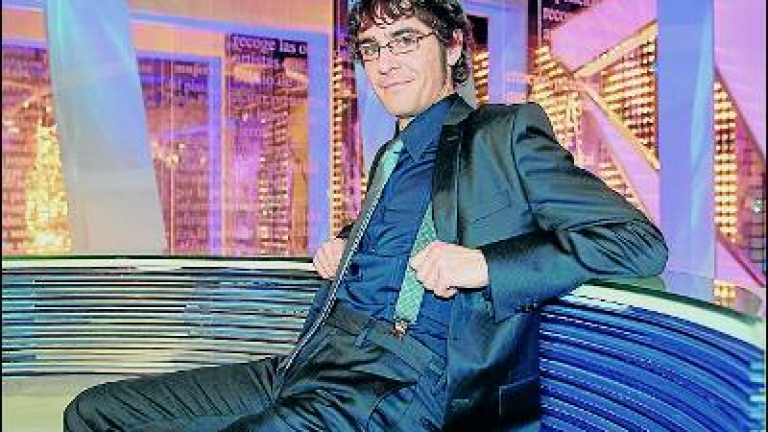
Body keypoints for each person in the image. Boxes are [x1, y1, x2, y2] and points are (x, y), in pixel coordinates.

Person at [64, 0, 668, 430]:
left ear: (454, 45)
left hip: (395, 383)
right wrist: (348, 241)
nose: (384, 62)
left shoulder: (501, 136)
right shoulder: (391, 156)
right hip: (311, 359)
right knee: (93, 413)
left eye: (405, 40)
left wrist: (486, 265)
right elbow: (412, 224)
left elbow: (636, 241)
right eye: (372, 48)